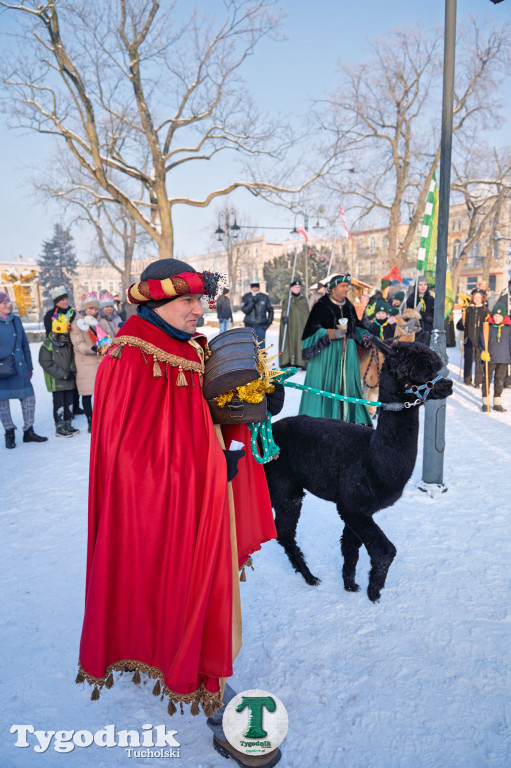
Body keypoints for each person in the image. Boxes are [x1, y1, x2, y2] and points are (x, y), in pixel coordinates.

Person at [76, 258, 282, 768]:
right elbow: (128, 459)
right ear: (157, 303)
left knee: (203, 591)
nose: (199, 309)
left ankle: (199, 668)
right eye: (188, 301)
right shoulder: (128, 357)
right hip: (169, 507)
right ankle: (213, 695)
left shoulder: (193, 346)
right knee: (190, 591)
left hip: (208, 494)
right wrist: (210, 467)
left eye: (199, 299)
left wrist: (242, 422)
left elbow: (212, 412)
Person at [299, 273, 372, 425]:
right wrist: (330, 333)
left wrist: (363, 334)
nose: (346, 289)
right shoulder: (321, 306)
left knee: (348, 387)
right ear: (332, 289)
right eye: (343, 286)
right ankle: (322, 420)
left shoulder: (349, 306)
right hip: (327, 355)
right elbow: (310, 333)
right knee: (326, 387)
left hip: (347, 354)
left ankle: (348, 420)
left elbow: (356, 326)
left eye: (347, 286)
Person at [0, 291, 47, 449]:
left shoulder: (16, 320)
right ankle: (9, 432)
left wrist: (30, 366)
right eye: (3, 303)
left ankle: (29, 431)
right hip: (2, 370)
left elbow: (25, 345)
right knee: (2, 404)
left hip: (20, 368)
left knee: (29, 399)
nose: (7, 305)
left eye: (8, 302)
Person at [39, 311, 79, 437]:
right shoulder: (47, 345)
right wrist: (63, 374)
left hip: (68, 379)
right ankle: (59, 426)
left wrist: (71, 370)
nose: (63, 340)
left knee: (69, 402)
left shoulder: (67, 344)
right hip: (56, 381)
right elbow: (46, 363)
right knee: (59, 403)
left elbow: (72, 357)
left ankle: (68, 423)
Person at [70, 292, 100, 433]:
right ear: (85, 309)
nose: (94, 311)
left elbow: (106, 335)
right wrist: (92, 348)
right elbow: (78, 344)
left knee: (101, 393)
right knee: (87, 393)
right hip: (85, 363)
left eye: (95, 309)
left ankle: (100, 419)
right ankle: (90, 421)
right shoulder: (77, 323)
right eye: (91, 309)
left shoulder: (98, 321)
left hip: (99, 361)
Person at [479, 302, 511, 413]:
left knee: (499, 380)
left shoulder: (508, 328)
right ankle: (485, 402)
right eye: (495, 316)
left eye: (500, 316)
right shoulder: (488, 326)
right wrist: (483, 351)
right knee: (486, 379)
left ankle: (497, 403)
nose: (497, 318)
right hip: (490, 358)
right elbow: (482, 339)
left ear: (504, 316)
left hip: (503, 359)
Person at [456, 288, 487, 387]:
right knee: (468, 360)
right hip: (468, 340)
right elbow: (459, 324)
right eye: (475, 297)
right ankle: (467, 379)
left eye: (479, 297)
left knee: (479, 362)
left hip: (480, 341)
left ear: (482, 298)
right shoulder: (468, 310)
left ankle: (478, 381)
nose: (477, 299)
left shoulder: (485, 311)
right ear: (472, 298)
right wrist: (463, 326)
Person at [279, 279, 309, 368]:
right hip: (290, 325)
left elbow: (306, 312)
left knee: (300, 343)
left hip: (301, 326)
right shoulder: (287, 300)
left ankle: (301, 362)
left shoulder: (303, 300)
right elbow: (284, 310)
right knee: (290, 342)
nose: (297, 289)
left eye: (299, 287)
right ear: (291, 288)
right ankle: (287, 361)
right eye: (295, 287)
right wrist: (284, 317)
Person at [240, 279, 273, 345]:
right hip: (249, 326)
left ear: (258, 287)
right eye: (253, 287)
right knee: (249, 346)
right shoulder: (246, 297)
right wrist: (252, 302)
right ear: (251, 288)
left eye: (256, 287)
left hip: (261, 326)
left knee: (261, 347)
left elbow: (271, 310)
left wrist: (268, 323)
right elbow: (245, 310)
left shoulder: (264, 297)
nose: (255, 289)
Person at [406, 276, 435, 345]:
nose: (423, 287)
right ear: (417, 286)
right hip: (415, 331)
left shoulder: (431, 299)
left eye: (425, 284)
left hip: (428, 331)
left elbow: (434, 315)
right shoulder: (411, 299)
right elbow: (408, 315)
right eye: (420, 285)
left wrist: (426, 316)